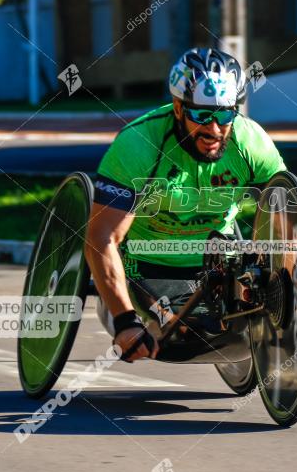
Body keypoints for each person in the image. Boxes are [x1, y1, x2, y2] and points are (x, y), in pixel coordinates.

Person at [85, 47, 286, 363]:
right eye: (201, 115)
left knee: (248, 325)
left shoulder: (251, 142)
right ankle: (127, 312)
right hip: (144, 265)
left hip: (216, 262)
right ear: (178, 108)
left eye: (224, 115)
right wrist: (125, 321)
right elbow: (101, 239)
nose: (214, 129)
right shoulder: (138, 145)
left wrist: (288, 281)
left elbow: (286, 218)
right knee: (168, 336)